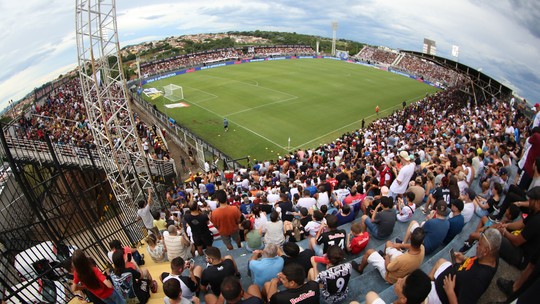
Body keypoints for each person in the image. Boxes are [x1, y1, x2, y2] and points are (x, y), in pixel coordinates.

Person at [426, 228, 502, 304]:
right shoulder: (492, 256)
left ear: (485, 251)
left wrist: (450, 291)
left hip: (440, 296)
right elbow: (475, 264)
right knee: (441, 261)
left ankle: (425, 287)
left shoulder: (477, 279)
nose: (477, 246)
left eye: (479, 244)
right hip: (454, 273)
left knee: (420, 293)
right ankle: (426, 283)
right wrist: (464, 259)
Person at [351, 227, 425, 283]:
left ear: (411, 237)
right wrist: (399, 245)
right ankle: (383, 256)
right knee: (389, 243)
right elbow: (411, 246)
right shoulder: (422, 248)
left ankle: (360, 268)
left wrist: (387, 258)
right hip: (404, 265)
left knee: (369, 252)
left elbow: (388, 268)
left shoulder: (401, 259)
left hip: (390, 276)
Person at [495, 186, 540, 269]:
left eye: (531, 200)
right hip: (520, 246)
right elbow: (522, 223)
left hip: (522, 256)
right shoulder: (534, 212)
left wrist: (504, 232)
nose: (529, 201)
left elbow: (517, 242)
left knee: (494, 236)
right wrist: (506, 225)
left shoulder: (536, 221)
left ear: (538, 202)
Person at [364, 269, 432, 304]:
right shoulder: (421, 297)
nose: (399, 279)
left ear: (403, 299)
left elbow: (370, 295)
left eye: (400, 282)